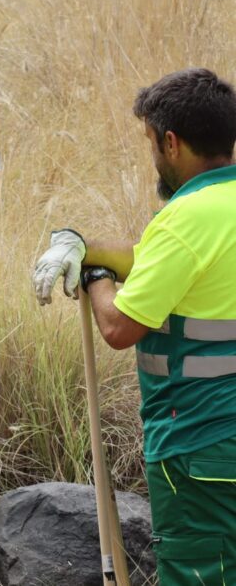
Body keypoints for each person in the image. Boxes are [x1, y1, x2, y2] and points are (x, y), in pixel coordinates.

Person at [33, 68, 236, 586]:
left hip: (200, 447)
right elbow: (155, 260)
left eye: (151, 143)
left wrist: (97, 277)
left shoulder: (186, 217)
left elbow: (120, 327)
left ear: (171, 143)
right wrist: (83, 242)